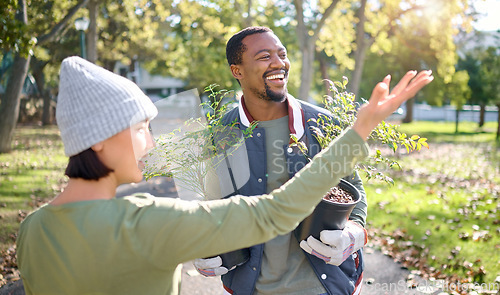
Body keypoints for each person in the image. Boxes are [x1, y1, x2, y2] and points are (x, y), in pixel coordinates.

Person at [15, 56, 432, 295]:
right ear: (101, 140)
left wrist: (354, 233)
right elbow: (273, 213)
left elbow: (352, 195)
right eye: (140, 129)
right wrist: (360, 129)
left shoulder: (31, 231)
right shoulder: (147, 223)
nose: (150, 143)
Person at [194, 26, 430, 295]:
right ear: (237, 70)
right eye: (264, 57)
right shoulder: (221, 134)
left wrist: (354, 232)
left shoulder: (321, 124)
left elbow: (353, 188)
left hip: (322, 285)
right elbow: (211, 200)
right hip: (251, 286)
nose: (279, 63)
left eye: (282, 54)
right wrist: (201, 240)